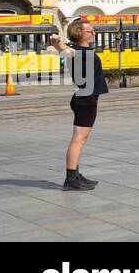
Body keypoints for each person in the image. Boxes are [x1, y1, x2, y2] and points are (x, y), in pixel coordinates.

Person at [44, 21, 108, 191]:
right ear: (80, 32)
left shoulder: (81, 51)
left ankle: (75, 174)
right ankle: (71, 178)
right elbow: (62, 47)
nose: (93, 33)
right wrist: (57, 41)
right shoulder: (77, 51)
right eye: (90, 31)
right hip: (85, 100)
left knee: (81, 139)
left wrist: (57, 44)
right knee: (79, 139)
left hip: (85, 98)